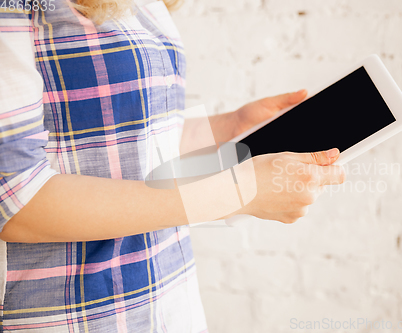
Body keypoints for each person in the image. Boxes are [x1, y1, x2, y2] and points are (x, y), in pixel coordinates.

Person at [0, 0, 345, 331]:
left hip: (170, 305)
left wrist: (232, 126)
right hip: (79, 318)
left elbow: (142, 145)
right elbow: (18, 201)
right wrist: (237, 194)